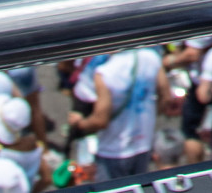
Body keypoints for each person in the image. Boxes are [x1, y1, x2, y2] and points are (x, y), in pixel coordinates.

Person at [68, 46, 168, 182]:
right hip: (143, 143)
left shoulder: (105, 73)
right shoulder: (150, 57)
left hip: (113, 149)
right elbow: (166, 96)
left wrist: (79, 124)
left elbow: (100, 120)